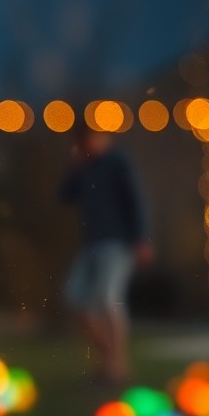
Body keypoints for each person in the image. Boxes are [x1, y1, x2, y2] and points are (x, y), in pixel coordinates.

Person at [58, 121, 152, 383]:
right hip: (90, 244)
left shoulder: (118, 162)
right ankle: (112, 360)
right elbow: (64, 196)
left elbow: (136, 199)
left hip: (118, 244)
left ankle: (116, 365)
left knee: (109, 299)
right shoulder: (84, 167)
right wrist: (74, 166)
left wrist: (141, 239)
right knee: (76, 298)